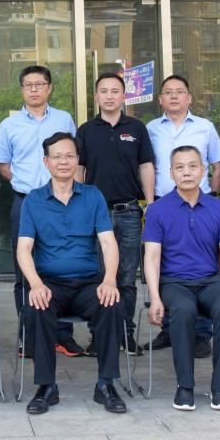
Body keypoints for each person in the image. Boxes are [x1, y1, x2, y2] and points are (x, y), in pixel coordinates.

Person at [17, 132, 127, 416]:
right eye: (57, 156)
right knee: (36, 307)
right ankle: (46, 387)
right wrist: (35, 284)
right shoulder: (34, 200)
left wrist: (109, 280)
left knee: (112, 304)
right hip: (50, 284)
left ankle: (106, 384)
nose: (63, 161)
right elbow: (23, 249)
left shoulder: (93, 195)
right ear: (46, 162)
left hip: (88, 283)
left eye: (69, 156)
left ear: (77, 160)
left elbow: (108, 242)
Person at [143, 145, 220, 412]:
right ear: (171, 173)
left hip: (210, 281)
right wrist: (154, 297)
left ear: (203, 171)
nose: (186, 172)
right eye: (179, 167)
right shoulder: (157, 210)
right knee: (183, 310)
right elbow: (152, 257)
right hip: (174, 282)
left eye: (193, 166)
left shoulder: (218, 208)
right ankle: (185, 386)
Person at [0, 65, 78, 356]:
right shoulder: (9, 125)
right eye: (28, 85)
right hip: (26, 202)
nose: (34, 89)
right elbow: (4, 166)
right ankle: (28, 335)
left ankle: (63, 335)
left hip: (62, 201)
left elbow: (73, 159)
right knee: (24, 270)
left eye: (39, 84)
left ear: (49, 88)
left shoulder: (64, 119)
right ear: (22, 89)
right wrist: (29, 187)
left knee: (64, 264)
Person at [145, 75, 220, 355]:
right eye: (168, 92)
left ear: (189, 98)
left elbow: (218, 163)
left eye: (180, 91)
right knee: (167, 267)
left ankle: (201, 334)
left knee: (201, 267)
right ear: (160, 100)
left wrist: (211, 195)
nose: (174, 96)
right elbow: (146, 165)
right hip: (163, 205)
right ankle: (169, 329)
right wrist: (149, 202)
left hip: (198, 204)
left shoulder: (205, 127)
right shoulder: (151, 129)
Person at [76, 72, 155, 357]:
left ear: (123, 96)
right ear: (96, 96)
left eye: (114, 91)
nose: (109, 96)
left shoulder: (136, 128)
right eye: (104, 91)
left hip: (130, 211)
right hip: (96, 214)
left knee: (126, 277)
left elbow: (146, 165)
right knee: (98, 276)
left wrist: (150, 203)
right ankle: (99, 335)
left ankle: (125, 334)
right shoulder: (86, 130)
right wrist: (79, 205)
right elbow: (79, 169)